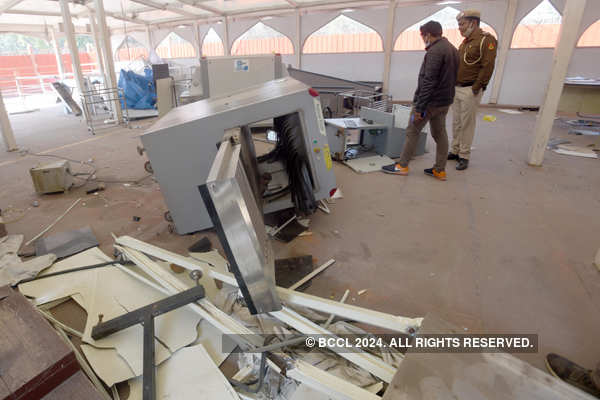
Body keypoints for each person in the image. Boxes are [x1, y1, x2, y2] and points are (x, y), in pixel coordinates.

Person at [382, 21, 458, 181]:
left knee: (412, 130)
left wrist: (419, 108)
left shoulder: (435, 51)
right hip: (444, 102)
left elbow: (428, 81)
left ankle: (402, 166)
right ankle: (440, 170)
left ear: (428, 35)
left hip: (429, 103)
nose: (423, 39)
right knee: (440, 133)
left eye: (423, 36)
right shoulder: (452, 49)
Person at [448, 9, 498, 171]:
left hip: (470, 89)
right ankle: (455, 150)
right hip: (456, 88)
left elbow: (488, 66)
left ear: (473, 23)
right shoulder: (465, 42)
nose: (460, 28)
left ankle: (464, 155)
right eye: (459, 24)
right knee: (456, 122)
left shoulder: (486, 40)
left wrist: (477, 88)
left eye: (462, 24)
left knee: (467, 124)